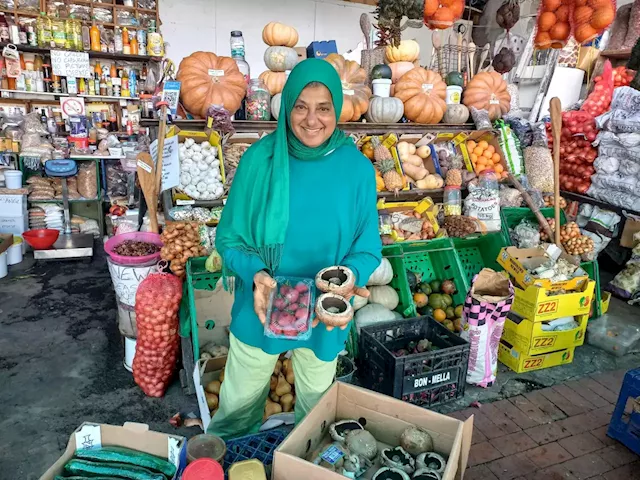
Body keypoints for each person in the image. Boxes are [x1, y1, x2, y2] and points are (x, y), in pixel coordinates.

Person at [210, 58, 382, 440]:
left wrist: (351, 275)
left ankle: (305, 464)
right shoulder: (260, 160)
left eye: (323, 108)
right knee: (236, 408)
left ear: (336, 109)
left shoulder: (356, 170)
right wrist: (256, 273)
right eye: (300, 106)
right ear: (286, 106)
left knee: (316, 416)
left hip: (324, 311)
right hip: (261, 303)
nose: (311, 119)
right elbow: (230, 237)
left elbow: (368, 247)